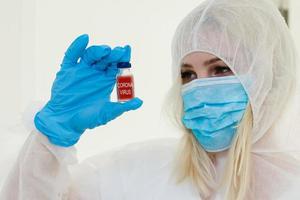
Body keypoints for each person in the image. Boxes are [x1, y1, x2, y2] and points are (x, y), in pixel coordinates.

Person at [1, 0, 300, 199]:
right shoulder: (143, 169)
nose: (200, 90)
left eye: (221, 69)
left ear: (270, 77)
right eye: (188, 75)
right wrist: (52, 133)